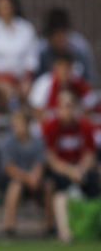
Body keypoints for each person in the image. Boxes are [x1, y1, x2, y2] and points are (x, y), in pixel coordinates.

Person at [42, 88, 100, 242]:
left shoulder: (85, 127)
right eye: (64, 106)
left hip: (81, 169)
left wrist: (80, 169)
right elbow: (51, 159)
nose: (67, 110)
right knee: (59, 189)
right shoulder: (50, 127)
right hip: (61, 170)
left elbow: (90, 154)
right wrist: (71, 171)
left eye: (70, 105)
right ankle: (65, 233)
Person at [0, 108, 51, 236]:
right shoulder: (7, 142)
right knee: (16, 186)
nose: (16, 127)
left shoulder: (38, 141)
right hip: (13, 179)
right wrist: (28, 178)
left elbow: (40, 163)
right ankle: (9, 227)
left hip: (34, 180)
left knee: (49, 186)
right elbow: (9, 168)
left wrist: (35, 177)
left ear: (27, 124)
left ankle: (50, 226)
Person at [37, 7, 99, 87]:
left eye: (62, 33)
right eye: (55, 34)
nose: (59, 39)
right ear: (48, 36)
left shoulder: (80, 48)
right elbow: (37, 82)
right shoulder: (41, 50)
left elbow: (91, 79)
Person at [28, 51, 97, 120]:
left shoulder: (78, 82)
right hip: (51, 121)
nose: (64, 71)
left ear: (71, 68)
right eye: (61, 67)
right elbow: (38, 111)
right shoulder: (44, 83)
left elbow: (90, 105)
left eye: (67, 67)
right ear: (55, 67)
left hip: (74, 122)